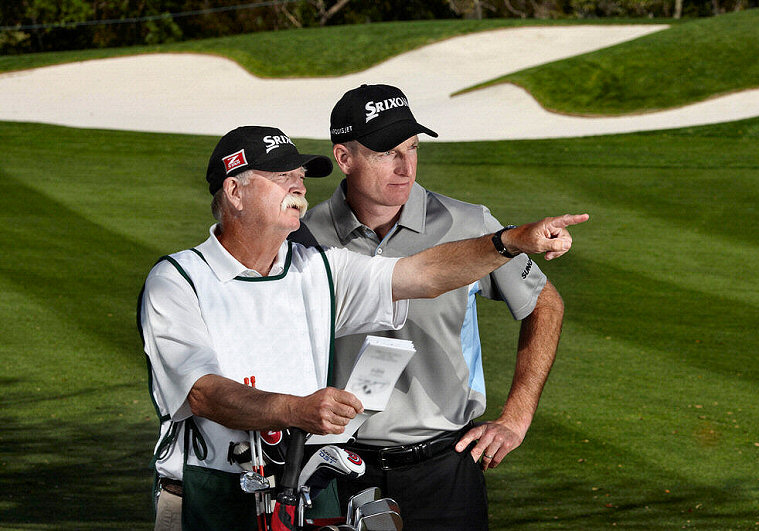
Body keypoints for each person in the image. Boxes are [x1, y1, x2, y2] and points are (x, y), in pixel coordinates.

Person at [138, 125, 587, 529]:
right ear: (235, 191)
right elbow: (203, 393)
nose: (299, 186)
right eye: (281, 177)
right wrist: (295, 409)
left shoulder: (318, 267)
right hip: (210, 490)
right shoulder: (177, 281)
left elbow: (422, 274)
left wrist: (509, 242)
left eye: (300, 175)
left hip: (304, 486)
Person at [293, 84, 574, 530]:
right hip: (333, 468)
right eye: (387, 153)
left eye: (412, 148)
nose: (405, 167)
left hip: (445, 470)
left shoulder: (469, 225)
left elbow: (545, 303)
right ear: (344, 158)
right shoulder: (302, 237)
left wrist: (517, 418)